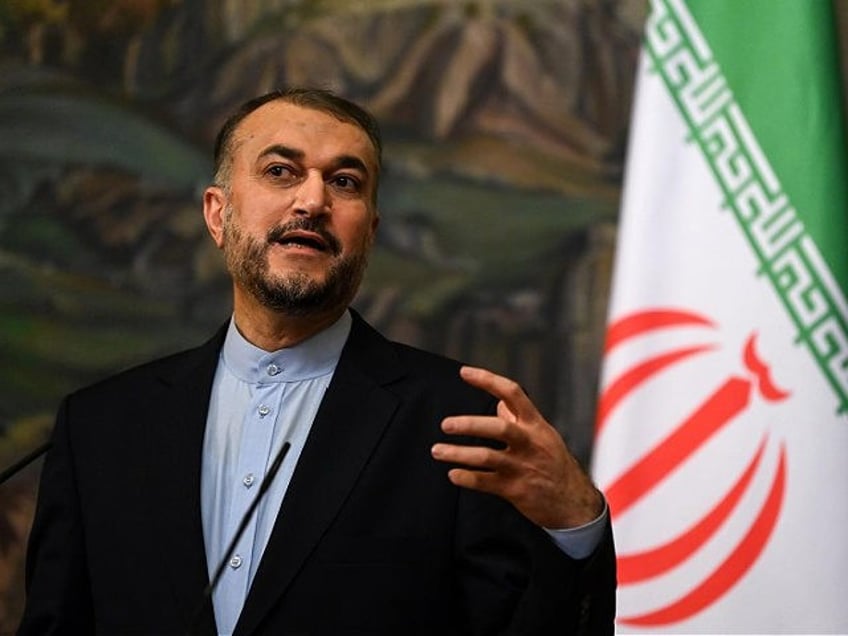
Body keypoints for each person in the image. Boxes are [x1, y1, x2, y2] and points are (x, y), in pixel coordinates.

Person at [19, 88, 616, 635]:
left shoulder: (459, 425)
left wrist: (576, 525)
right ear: (217, 214)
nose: (312, 200)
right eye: (280, 172)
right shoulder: (101, 428)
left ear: (370, 232)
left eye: (346, 182)